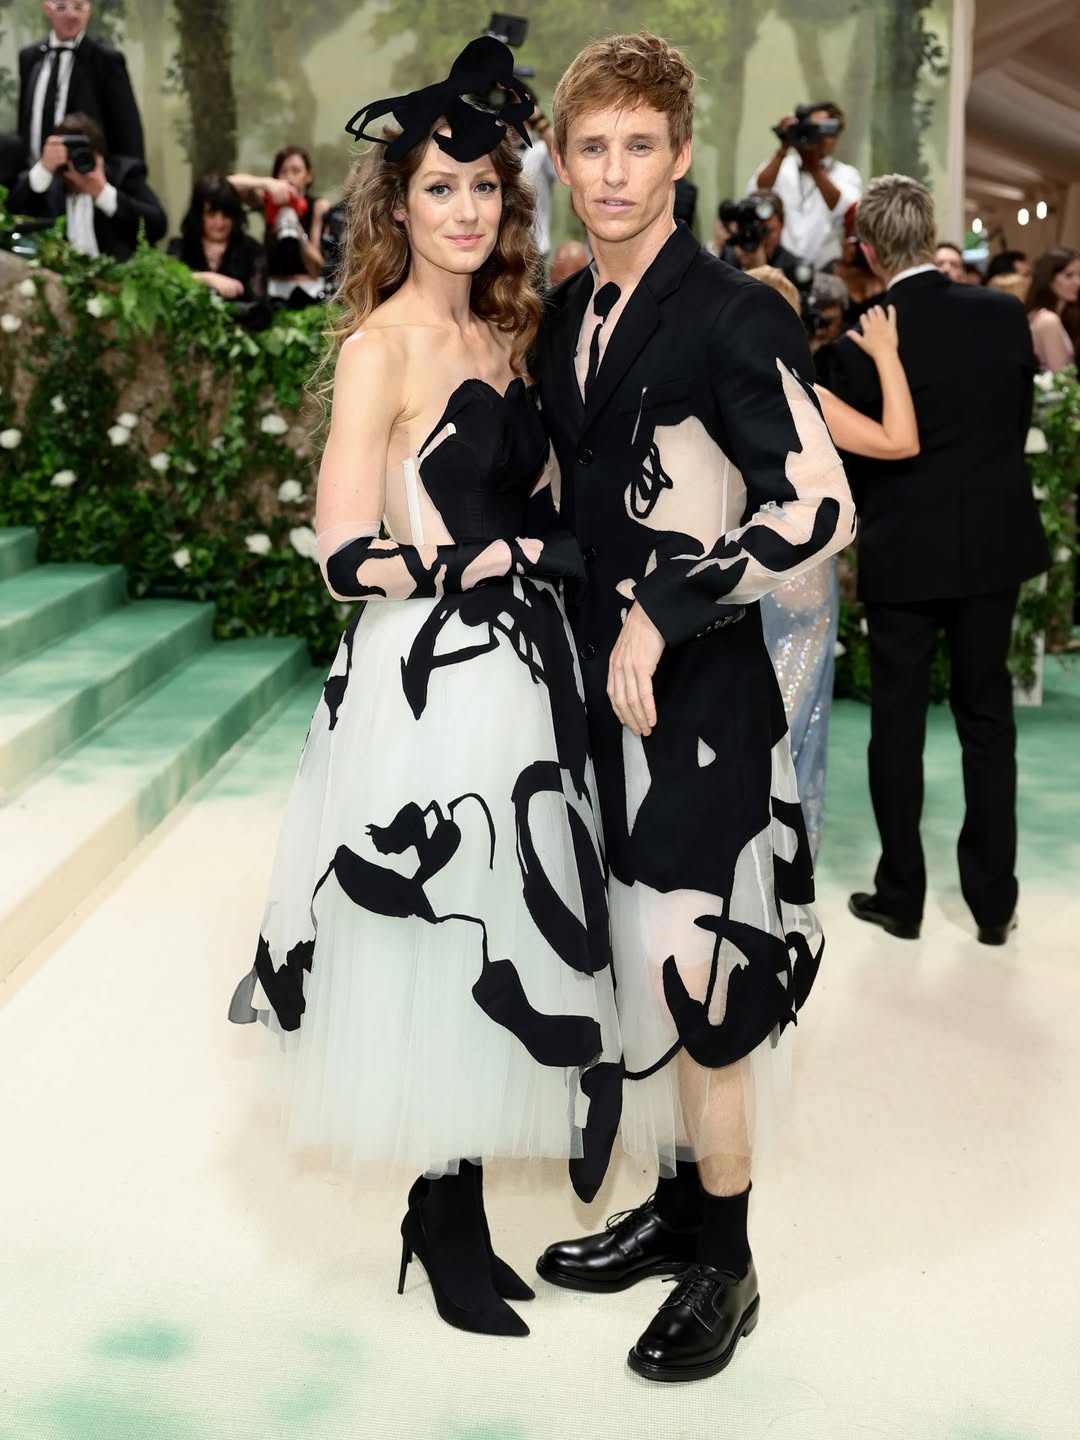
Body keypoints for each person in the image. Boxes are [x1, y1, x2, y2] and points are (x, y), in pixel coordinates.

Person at [228, 37, 621, 1341]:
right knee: (436, 936)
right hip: (426, 679)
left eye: (484, 190)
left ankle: (454, 1209)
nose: (465, 211)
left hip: (525, 676)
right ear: (396, 207)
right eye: (440, 190)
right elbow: (343, 550)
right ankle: (441, 1217)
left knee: (509, 933)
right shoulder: (378, 348)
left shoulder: (511, 333)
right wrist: (479, 556)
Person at [532, 32, 855, 1383]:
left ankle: (726, 1256)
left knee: (698, 967)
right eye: (590, 148)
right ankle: (672, 1209)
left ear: (678, 156)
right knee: (629, 962)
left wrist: (670, 609)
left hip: (705, 694)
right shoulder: (565, 314)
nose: (613, 173)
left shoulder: (735, 309)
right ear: (563, 161)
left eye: (638, 147)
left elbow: (820, 507)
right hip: (590, 703)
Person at [825, 174, 1049, 947]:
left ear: (867, 248)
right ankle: (993, 907)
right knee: (988, 721)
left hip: (904, 551)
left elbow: (853, 458)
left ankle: (902, 897)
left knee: (898, 724)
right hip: (993, 542)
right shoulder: (1001, 313)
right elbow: (1014, 422)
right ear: (929, 231)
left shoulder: (861, 334)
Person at [749, 268, 918, 859]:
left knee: (734, 729)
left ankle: (742, 876)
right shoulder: (806, 396)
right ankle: (784, 871)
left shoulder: (707, 393)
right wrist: (887, 354)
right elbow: (899, 440)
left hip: (733, 574)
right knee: (792, 730)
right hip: (797, 577)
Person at [8, 111, 165, 260]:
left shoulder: (124, 174)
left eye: (84, 154)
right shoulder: (48, 184)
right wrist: (45, 168)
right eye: (70, 154)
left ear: (99, 153)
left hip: (117, 278)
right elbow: (12, 216)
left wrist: (102, 192)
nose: (77, 162)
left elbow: (157, 226)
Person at [18, 0, 144, 164]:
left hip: (85, 178)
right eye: (61, 7)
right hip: (34, 177)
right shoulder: (30, 57)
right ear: (47, 8)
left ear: (88, 10)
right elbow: (24, 122)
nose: (71, 15)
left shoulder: (106, 60)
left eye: (78, 7)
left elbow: (128, 132)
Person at [749, 101, 861, 268]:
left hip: (825, 270)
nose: (818, 137)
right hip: (781, 266)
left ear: (836, 135)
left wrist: (814, 167)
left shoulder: (847, 174)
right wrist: (783, 147)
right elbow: (758, 191)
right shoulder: (784, 166)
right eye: (812, 128)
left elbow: (843, 209)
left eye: (824, 130)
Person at [230, 147, 330, 305]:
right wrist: (266, 183)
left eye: (296, 171)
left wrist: (296, 229)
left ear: (308, 176)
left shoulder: (318, 206)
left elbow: (317, 268)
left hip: (309, 289)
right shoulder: (267, 201)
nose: (289, 178)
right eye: (283, 171)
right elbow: (227, 185)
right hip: (272, 288)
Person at [168, 175, 266, 301]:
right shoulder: (180, 247)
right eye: (211, 215)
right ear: (199, 215)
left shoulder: (252, 251)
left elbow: (259, 306)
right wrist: (208, 279)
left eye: (226, 215)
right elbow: (167, 280)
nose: (219, 223)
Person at [518, 83, 557, 271]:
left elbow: (564, 160)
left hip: (536, 249)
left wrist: (540, 121)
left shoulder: (541, 150)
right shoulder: (489, 150)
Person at [1026, 247, 1080, 372]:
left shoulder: (1046, 316)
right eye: (1069, 275)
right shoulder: (1048, 320)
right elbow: (1061, 379)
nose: (1078, 282)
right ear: (1049, 278)